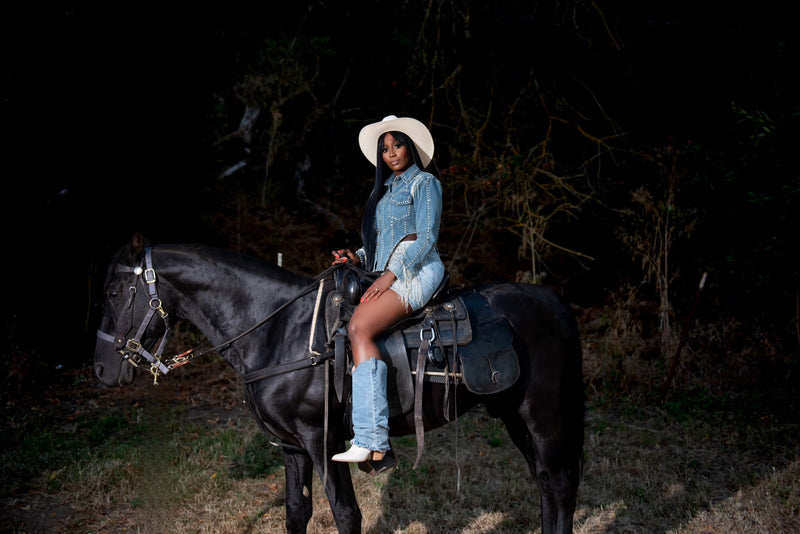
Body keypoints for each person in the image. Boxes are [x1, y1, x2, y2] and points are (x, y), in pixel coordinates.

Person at [330, 115, 445, 463]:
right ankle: (368, 434)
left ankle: (373, 439)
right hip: (389, 272)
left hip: (418, 272)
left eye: (397, 145)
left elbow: (425, 238)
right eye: (385, 149)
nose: (392, 153)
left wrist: (389, 276)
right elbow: (383, 244)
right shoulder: (387, 191)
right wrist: (357, 256)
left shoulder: (424, 184)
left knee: (359, 327)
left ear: (410, 147)